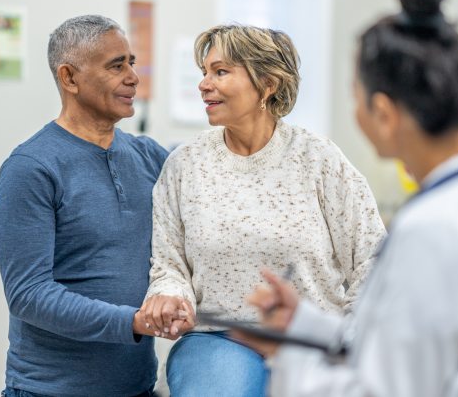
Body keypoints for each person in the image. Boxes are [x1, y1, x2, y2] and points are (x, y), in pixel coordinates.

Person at [238, 0, 458, 396]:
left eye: (355, 95)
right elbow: (411, 344)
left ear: (383, 113)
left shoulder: (434, 230)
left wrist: (287, 356)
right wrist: (304, 325)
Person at [138, 24, 386, 396]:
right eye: (204, 73)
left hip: (309, 338)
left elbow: (372, 258)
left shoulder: (318, 160)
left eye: (220, 72)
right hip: (220, 339)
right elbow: (170, 265)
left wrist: (348, 337)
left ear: (267, 84)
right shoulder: (184, 165)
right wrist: (171, 296)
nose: (204, 84)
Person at [0, 15, 191, 397]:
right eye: (116, 66)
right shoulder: (30, 169)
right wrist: (134, 322)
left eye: (131, 62)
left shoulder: (148, 156)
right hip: (49, 390)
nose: (132, 76)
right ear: (69, 78)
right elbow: (29, 295)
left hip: (138, 387)